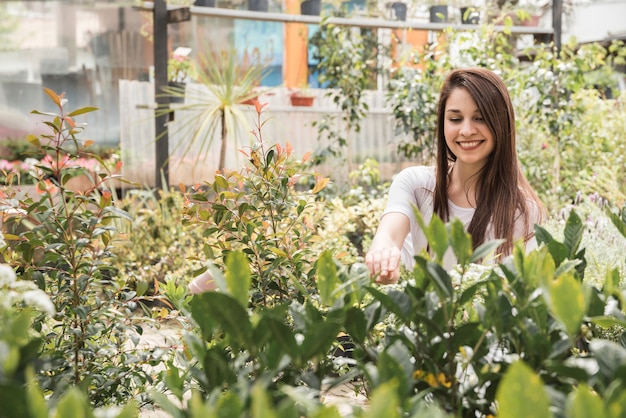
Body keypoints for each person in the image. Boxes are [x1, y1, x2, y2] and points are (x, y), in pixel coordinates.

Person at [365, 67, 544, 283]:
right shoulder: (416, 185)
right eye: (455, 119)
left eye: (480, 118)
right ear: (443, 123)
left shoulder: (521, 212)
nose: (467, 130)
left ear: (501, 123)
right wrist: (382, 256)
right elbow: (389, 235)